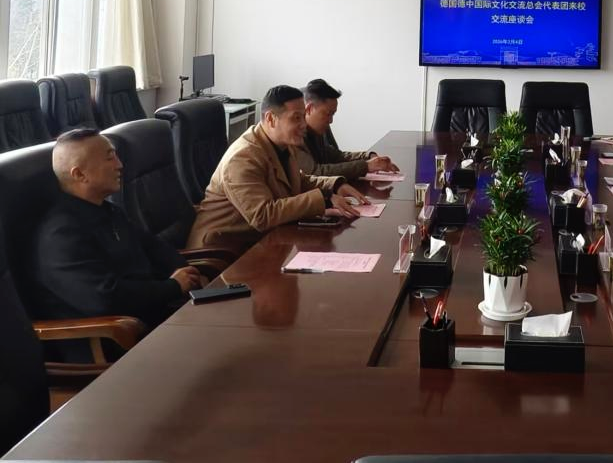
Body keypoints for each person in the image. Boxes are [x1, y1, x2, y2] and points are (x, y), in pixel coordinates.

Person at [29, 129, 201, 359]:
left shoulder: (108, 211)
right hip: (112, 344)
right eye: (109, 158)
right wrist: (173, 286)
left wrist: (185, 273)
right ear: (79, 174)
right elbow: (104, 299)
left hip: (153, 320)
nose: (120, 165)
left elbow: (155, 248)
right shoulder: (60, 234)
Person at [187, 85, 368, 254]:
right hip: (221, 252)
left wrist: (334, 186)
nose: (304, 125)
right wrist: (324, 199)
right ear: (271, 119)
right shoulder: (242, 158)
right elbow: (263, 215)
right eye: (296, 118)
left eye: (303, 117)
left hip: (259, 242)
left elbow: (298, 180)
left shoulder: (281, 144)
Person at [297, 79, 399, 179]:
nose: (331, 121)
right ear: (309, 109)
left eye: (333, 114)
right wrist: (367, 166)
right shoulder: (294, 136)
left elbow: (337, 157)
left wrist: (369, 156)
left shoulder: (315, 132)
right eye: (328, 114)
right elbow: (315, 172)